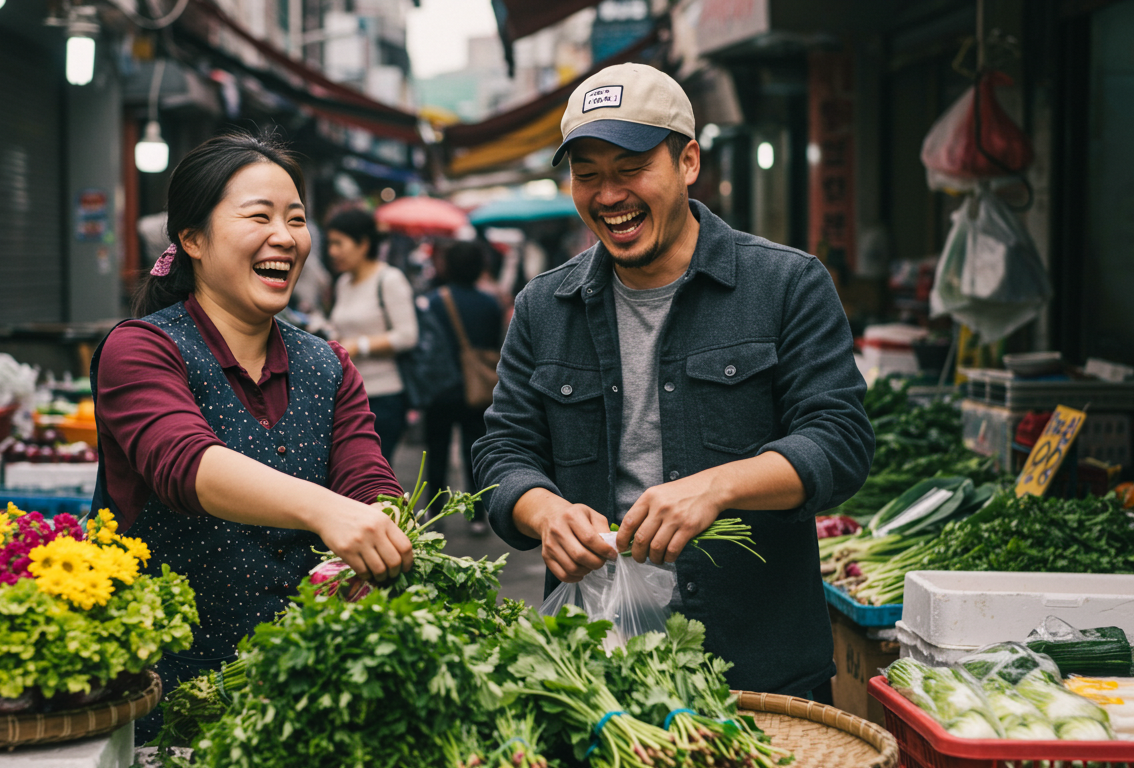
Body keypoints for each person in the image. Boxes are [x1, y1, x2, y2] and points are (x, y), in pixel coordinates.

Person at [472, 63, 873, 700]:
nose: (608, 195)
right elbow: (502, 452)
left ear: (687, 162)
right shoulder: (546, 307)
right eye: (588, 174)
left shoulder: (786, 285)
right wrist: (542, 510)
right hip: (595, 678)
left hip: (756, 671)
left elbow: (841, 441)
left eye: (630, 168)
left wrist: (718, 487)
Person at [90, 131, 413, 737]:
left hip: (302, 696)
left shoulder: (327, 365)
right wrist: (326, 512)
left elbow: (368, 479)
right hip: (164, 694)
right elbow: (185, 463)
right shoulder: (138, 349)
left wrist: (377, 532)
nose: (286, 237)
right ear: (191, 239)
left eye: (296, 218)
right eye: (259, 216)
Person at [325, 208, 419, 462]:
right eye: (330, 244)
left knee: (371, 470)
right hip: (347, 394)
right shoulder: (343, 282)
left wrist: (358, 346)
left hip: (383, 396)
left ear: (363, 243)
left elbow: (407, 335)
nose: (332, 251)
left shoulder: (389, 279)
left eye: (338, 243)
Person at [422, 241, 503, 535]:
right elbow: (495, 345)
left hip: (440, 389)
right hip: (477, 389)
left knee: (437, 451)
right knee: (476, 450)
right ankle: (477, 515)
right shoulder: (491, 303)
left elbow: (426, 348)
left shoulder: (433, 301)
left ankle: (436, 513)